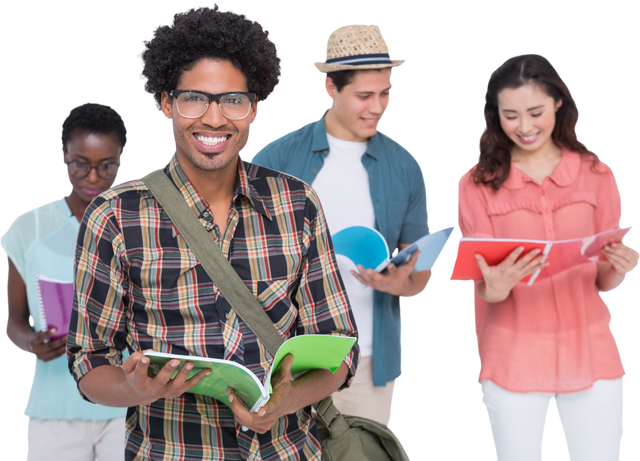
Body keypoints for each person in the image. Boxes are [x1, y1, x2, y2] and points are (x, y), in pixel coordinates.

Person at [66, 4, 359, 461]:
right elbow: (88, 360)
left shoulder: (297, 204)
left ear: (254, 110)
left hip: (285, 451)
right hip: (168, 451)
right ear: (166, 103)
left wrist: (284, 401)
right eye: (194, 98)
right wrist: (134, 388)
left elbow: (339, 352)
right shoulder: (114, 215)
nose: (215, 118)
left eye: (233, 100)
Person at [455, 51, 638, 461]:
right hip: (511, 357)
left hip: (592, 354)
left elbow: (602, 281)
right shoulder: (475, 184)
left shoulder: (598, 175)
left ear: (558, 102)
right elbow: (483, 282)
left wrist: (619, 270)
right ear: (494, 114)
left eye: (535, 112)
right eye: (510, 115)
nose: (524, 127)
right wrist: (496, 285)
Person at [249, 21, 432, 426]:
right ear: (329, 88)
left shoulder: (405, 166)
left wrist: (399, 283)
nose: (378, 106)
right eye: (364, 95)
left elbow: (420, 275)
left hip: (369, 361)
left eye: (386, 93)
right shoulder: (275, 158)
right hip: (286, 358)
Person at [1, 101, 129, 460]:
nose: (93, 178)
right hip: (55, 409)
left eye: (107, 166)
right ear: (63, 156)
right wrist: (32, 343)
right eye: (80, 165)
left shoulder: (138, 223)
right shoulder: (29, 227)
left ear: (121, 159)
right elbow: (14, 320)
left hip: (127, 404)